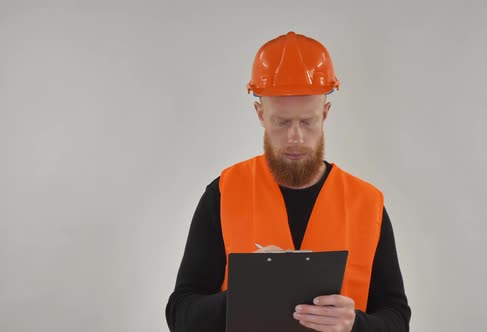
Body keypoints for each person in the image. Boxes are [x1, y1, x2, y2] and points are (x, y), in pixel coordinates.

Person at [165, 31, 411, 332]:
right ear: (260, 114)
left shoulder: (367, 204)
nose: (296, 137)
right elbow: (180, 315)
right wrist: (241, 297)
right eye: (281, 122)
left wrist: (355, 325)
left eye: (308, 122)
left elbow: (397, 320)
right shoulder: (224, 192)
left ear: (325, 113)